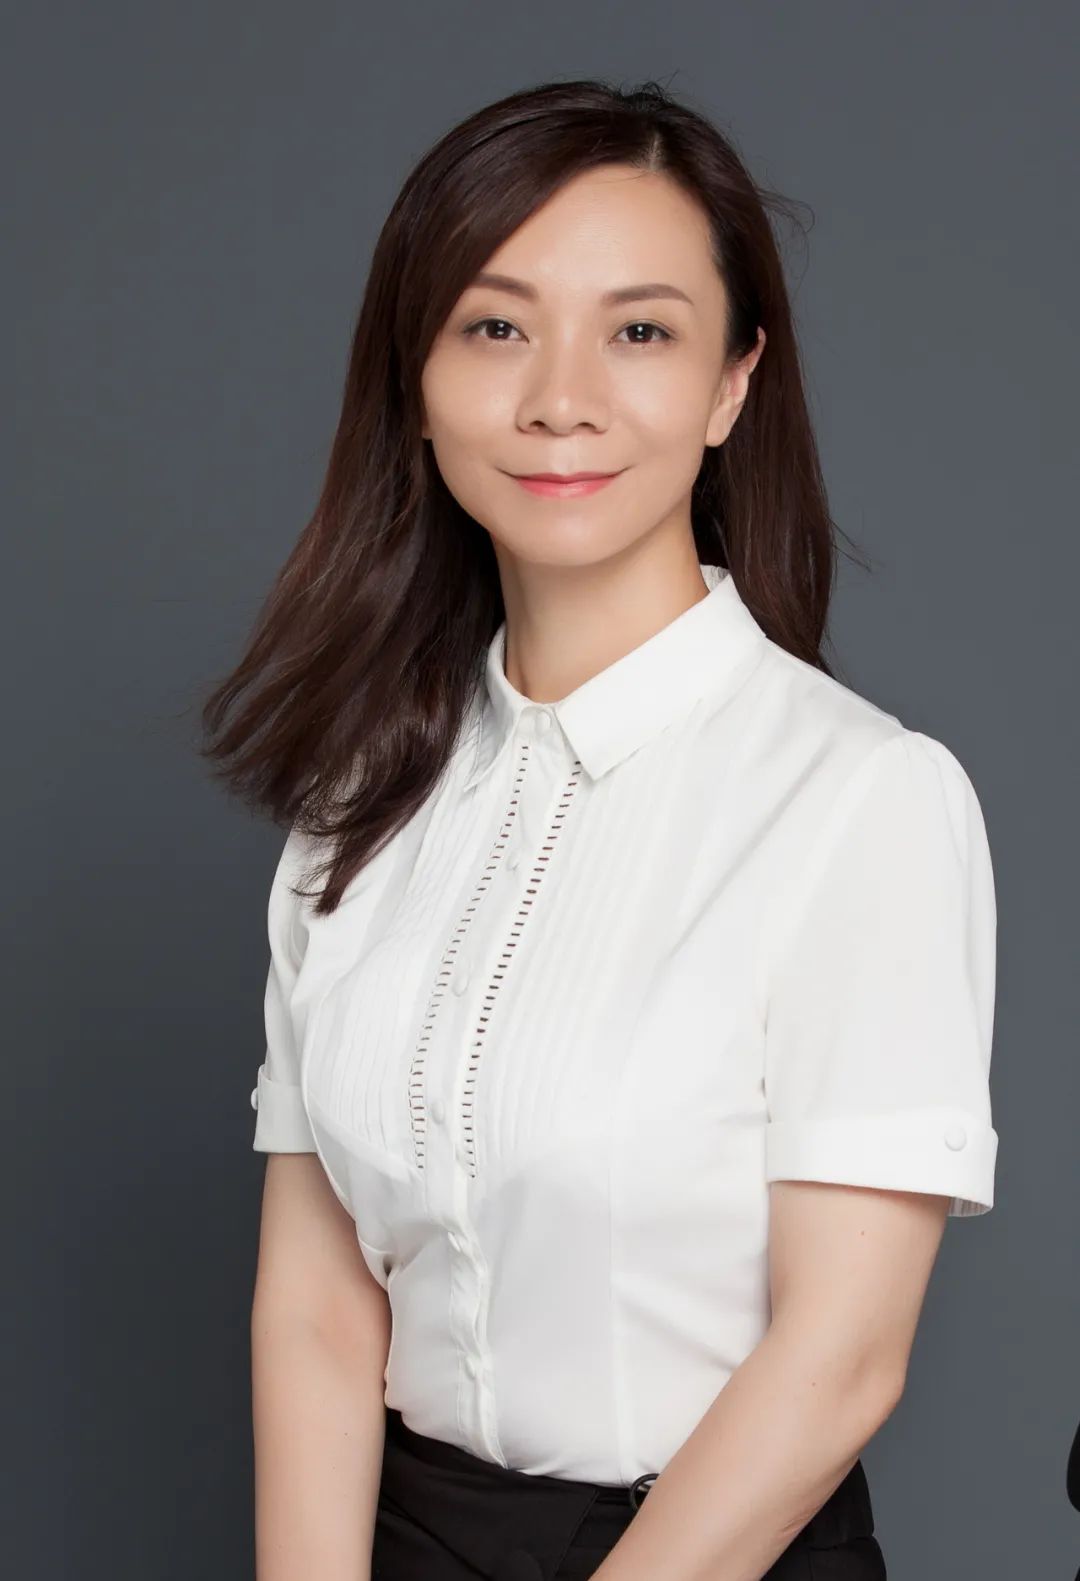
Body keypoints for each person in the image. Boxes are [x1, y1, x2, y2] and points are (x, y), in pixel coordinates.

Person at [202, 77, 999, 1581]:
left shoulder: (863, 798)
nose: (559, 398)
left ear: (731, 385)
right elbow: (316, 1304)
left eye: (640, 332)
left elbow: (839, 1358)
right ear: (414, 376)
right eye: (494, 327)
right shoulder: (355, 792)